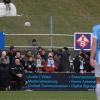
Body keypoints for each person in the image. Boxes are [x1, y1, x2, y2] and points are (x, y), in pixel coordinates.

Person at [90, 24, 100, 100]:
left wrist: (91, 58)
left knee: (98, 81)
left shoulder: (96, 28)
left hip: (99, 57)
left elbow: (94, 44)